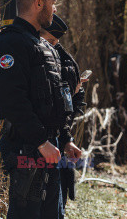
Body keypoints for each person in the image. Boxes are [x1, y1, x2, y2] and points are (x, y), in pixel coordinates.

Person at [0, 0, 81, 219]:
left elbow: (55, 100)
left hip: (50, 150)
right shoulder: (10, 44)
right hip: (27, 153)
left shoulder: (43, 46)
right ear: (38, 4)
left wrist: (65, 138)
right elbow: (12, 102)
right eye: (52, 3)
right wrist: (41, 142)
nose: (54, 10)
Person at [40, 14, 88, 211]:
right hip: (38, 141)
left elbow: (71, 106)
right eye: (49, 41)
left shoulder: (63, 58)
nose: (54, 46)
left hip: (57, 141)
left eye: (56, 42)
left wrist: (67, 138)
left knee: (56, 207)